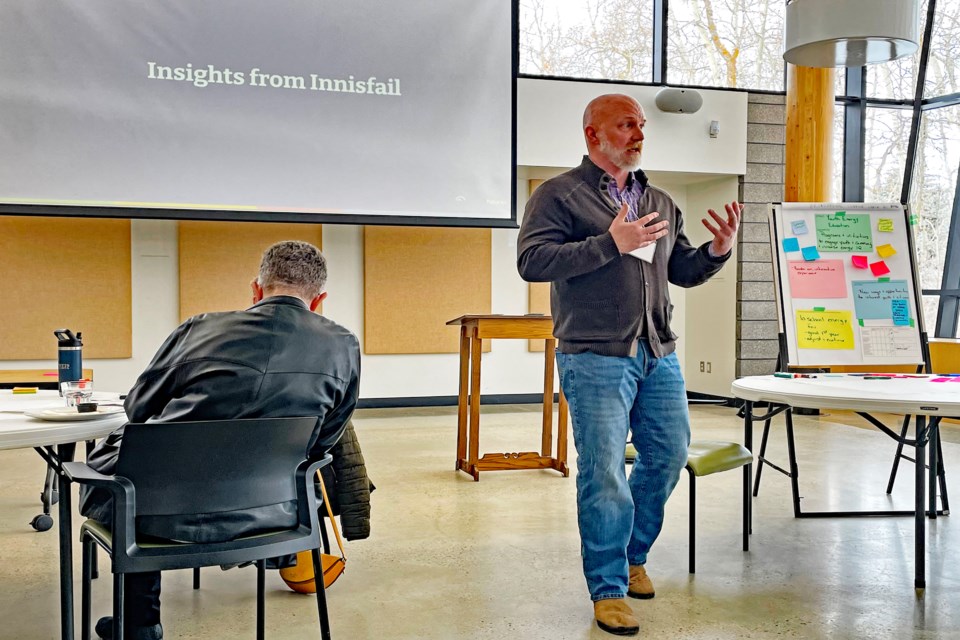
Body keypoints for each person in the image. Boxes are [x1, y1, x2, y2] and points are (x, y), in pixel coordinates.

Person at [516, 93, 740, 636]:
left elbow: (680, 269)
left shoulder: (659, 199)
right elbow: (532, 261)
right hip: (594, 355)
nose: (639, 133)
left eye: (641, 125)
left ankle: (632, 553)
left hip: (658, 352)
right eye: (626, 125)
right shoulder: (558, 195)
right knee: (605, 472)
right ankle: (609, 587)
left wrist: (716, 251)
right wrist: (609, 243)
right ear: (594, 134)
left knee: (667, 454)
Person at [80, 240, 361, 640]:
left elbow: (138, 409)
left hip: (162, 514)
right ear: (319, 300)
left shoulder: (200, 328)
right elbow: (324, 441)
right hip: (277, 512)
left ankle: (140, 624)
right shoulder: (344, 345)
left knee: (131, 469)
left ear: (256, 289)